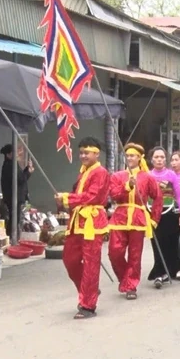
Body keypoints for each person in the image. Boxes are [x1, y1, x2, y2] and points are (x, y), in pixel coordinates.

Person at [56, 137, 110, 320]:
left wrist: (67, 198)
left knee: (90, 264)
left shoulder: (101, 172)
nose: (83, 156)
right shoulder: (83, 172)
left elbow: (92, 196)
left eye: (86, 152)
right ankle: (90, 289)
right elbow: (79, 197)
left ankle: (88, 304)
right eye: (81, 153)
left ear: (96, 153)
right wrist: (64, 201)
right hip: (77, 222)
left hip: (92, 224)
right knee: (69, 259)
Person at [107, 143, 163, 300]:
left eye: (133, 155)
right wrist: (127, 186)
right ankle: (125, 278)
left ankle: (131, 285)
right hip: (120, 217)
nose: (130, 158)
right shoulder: (117, 176)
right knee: (114, 252)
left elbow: (158, 197)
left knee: (135, 255)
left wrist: (154, 219)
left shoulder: (147, 177)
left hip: (138, 217)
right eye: (128, 155)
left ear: (139, 158)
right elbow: (114, 195)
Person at [147, 147, 180, 288]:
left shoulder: (171, 175)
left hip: (170, 213)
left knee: (170, 244)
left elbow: (179, 195)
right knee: (157, 244)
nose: (159, 159)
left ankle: (170, 270)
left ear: (165, 160)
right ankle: (158, 273)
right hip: (152, 214)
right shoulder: (147, 175)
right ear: (151, 160)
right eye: (156, 157)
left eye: (162, 157)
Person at [0, 143, 33, 238]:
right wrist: (28, 172)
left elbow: (20, 176)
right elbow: (20, 179)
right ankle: (11, 237)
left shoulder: (12, 164)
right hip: (13, 198)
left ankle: (12, 237)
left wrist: (27, 169)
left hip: (17, 197)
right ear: (8, 155)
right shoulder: (9, 166)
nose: (16, 154)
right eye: (14, 152)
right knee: (14, 219)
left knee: (16, 218)